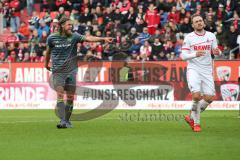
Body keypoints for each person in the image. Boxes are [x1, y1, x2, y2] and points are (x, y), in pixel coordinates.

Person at [45, 16, 113, 129]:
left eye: (71, 25)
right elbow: (48, 52)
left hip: (71, 71)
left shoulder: (74, 36)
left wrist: (103, 39)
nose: (70, 26)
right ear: (62, 26)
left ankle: (66, 120)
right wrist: (45, 64)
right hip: (58, 71)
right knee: (60, 95)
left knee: (70, 97)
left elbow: (88, 38)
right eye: (68, 25)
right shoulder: (52, 38)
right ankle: (62, 121)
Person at [181, 14, 221, 132]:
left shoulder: (211, 36)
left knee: (209, 98)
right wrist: (194, 54)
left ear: (203, 22)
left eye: (200, 20)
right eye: (196, 21)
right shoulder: (189, 37)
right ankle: (196, 124)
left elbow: (216, 50)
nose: (199, 23)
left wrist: (217, 51)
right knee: (197, 96)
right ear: (193, 25)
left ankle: (191, 116)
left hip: (207, 70)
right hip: (194, 69)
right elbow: (183, 56)